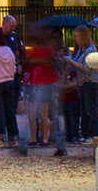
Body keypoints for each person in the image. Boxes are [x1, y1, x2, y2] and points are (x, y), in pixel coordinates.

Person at [19, 28, 66, 157]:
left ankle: (31, 141)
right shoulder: (47, 50)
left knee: (41, 113)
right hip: (43, 83)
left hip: (44, 84)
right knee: (48, 114)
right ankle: (54, 142)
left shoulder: (44, 51)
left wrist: (31, 61)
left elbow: (48, 62)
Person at [69, 25, 98, 139]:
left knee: (91, 109)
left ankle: (93, 134)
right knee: (83, 109)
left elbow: (86, 68)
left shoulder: (91, 50)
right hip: (83, 82)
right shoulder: (80, 50)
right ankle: (85, 134)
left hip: (91, 82)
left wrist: (70, 62)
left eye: (77, 36)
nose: (76, 38)